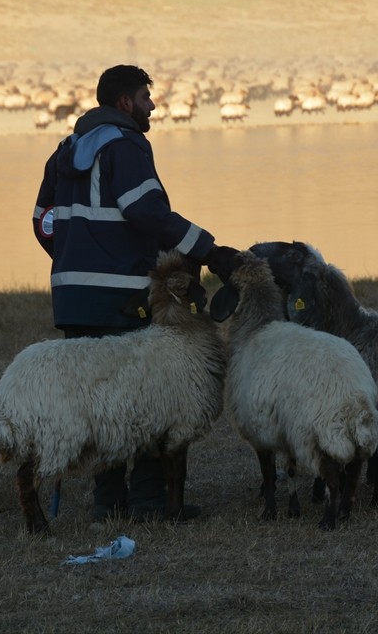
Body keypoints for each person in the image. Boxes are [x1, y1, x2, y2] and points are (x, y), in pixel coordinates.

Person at [32, 64, 236, 524]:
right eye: (146, 96)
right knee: (145, 397)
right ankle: (148, 502)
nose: (153, 105)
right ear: (124, 102)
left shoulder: (64, 151)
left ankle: (108, 503)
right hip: (124, 295)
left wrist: (71, 259)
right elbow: (146, 211)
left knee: (101, 401)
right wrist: (209, 249)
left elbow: (43, 220)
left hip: (73, 298)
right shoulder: (126, 146)